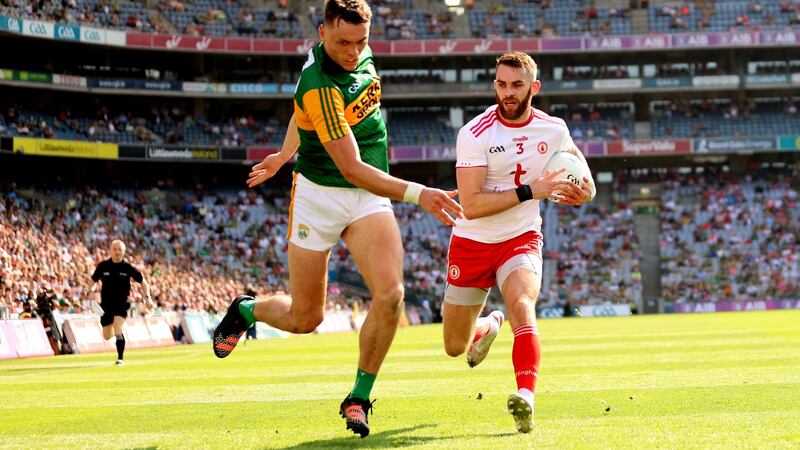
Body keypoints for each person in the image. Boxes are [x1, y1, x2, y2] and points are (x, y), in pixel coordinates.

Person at [211, 0, 463, 439]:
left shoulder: (357, 52)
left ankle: (359, 397)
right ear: (323, 33)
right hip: (319, 198)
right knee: (307, 319)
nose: (353, 50)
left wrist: (281, 154)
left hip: (367, 199)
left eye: (361, 40)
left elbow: (297, 114)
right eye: (343, 41)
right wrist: (420, 193)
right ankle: (247, 309)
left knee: (390, 295)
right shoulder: (321, 84)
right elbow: (350, 167)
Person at [441, 52, 594, 433]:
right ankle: (487, 326)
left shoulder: (554, 129)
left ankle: (525, 394)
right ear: (495, 84)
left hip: (521, 237)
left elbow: (583, 177)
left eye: (517, 85)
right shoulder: (474, 133)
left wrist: (585, 192)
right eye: (501, 84)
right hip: (472, 241)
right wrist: (531, 190)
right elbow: (473, 206)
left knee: (523, 304)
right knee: (454, 347)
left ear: (533, 87)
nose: (507, 93)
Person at [90, 240, 152, 365]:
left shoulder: (127, 267)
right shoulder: (103, 266)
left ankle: (120, 358)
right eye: (115, 249)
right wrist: (90, 291)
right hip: (106, 305)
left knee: (118, 327)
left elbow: (143, 282)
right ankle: (114, 329)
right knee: (107, 336)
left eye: (120, 249)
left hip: (121, 304)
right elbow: (93, 281)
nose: (117, 252)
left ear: (123, 252)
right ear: (110, 250)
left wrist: (148, 297)